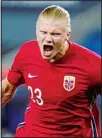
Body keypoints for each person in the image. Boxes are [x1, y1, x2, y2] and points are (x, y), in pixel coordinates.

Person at [2, 5, 101, 137]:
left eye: (55, 34)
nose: (48, 39)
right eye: (43, 32)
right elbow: (6, 89)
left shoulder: (92, 65)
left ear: (67, 35)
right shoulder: (27, 53)